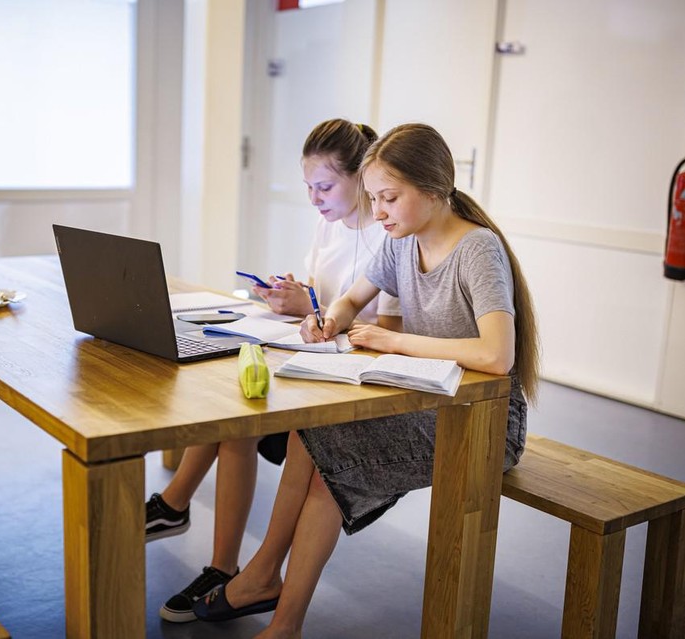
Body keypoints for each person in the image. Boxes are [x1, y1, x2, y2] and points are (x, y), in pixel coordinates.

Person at [193, 122, 540, 639]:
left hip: (484, 422)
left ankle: (281, 614)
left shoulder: (477, 249)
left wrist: (395, 341)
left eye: (389, 198)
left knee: (326, 461)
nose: (377, 212)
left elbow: (496, 355)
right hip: (428, 399)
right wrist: (330, 318)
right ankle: (266, 574)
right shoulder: (403, 242)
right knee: (305, 436)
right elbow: (353, 299)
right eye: (374, 197)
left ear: (433, 188)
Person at [146, 118, 400, 623]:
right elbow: (323, 297)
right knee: (235, 405)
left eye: (324, 186)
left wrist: (319, 317)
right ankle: (211, 552)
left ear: (361, 179)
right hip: (318, 354)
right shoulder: (329, 222)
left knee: (241, 418)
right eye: (308, 187)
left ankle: (185, 517)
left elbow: (383, 328)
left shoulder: (388, 236)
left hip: (348, 377)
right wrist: (296, 299)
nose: (314, 198)